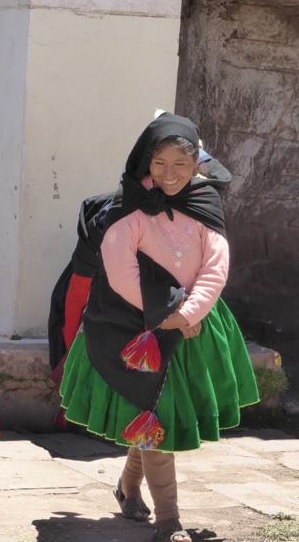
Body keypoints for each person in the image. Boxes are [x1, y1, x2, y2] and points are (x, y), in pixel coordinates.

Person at [59, 112, 259, 542]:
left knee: (155, 416)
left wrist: (188, 315)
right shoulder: (128, 209)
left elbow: (215, 266)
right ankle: (168, 521)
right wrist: (164, 317)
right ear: (145, 162)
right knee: (154, 412)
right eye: (161, 164)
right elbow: (120, 271)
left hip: (192, 329)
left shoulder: (205, 206)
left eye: (181, 166)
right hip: (135, 327)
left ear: (197, 166)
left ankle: (129, 486)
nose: (170, 174)